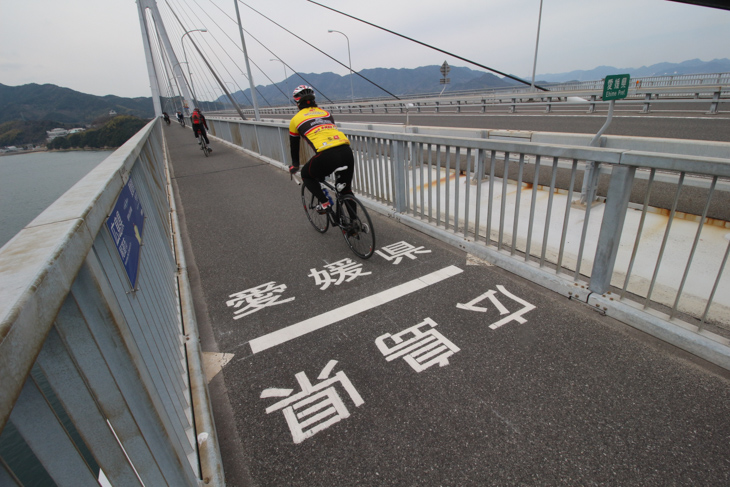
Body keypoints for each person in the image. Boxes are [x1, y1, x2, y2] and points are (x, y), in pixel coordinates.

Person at [288, 85, 354, 214]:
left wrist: (295, 165)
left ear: (297, 103)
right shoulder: (326, 114)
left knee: (306, 174)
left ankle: (325, 203)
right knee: (346, 190)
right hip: (346, 151)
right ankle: (354, 225)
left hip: (327, 154)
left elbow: (294, 145)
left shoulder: (295, 120)